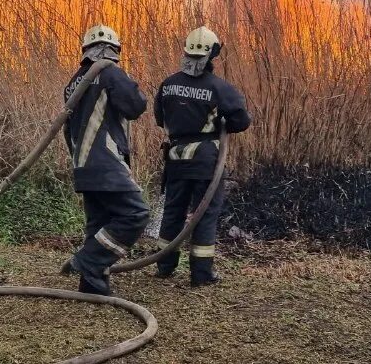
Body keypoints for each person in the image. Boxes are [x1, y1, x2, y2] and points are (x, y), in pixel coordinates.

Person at [154, 25, 251, 286]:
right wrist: (220, 123)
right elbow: (241, 120)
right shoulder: (219, 87)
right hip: (206, 161)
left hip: (175, 158)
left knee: (173, 211)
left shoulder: (168, 84)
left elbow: (159, 118)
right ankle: (201, 274)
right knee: (204, 213)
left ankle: (164, 265)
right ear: (213, 54)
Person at [60, 24, 150, 295]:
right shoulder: (110, 73)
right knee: (136, 214)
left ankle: (92, 287)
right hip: (106, 163)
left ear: (85, 50)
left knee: (98, 224)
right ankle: (86, 260)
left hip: (83, 165)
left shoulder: (73, 81)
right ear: (115, 50)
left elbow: (68, 128)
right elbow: (135, 106)